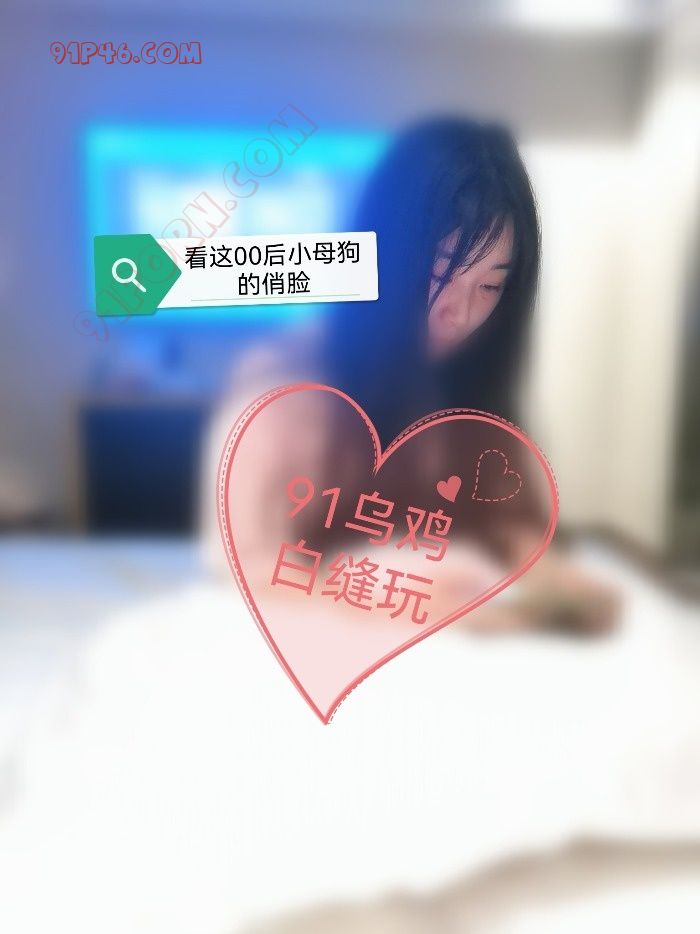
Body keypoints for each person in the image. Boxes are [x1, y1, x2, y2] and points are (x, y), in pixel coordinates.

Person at [206, 117, 617, 634]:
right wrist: (393, 597)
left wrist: (553, 579)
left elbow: (503, 522)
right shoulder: (286, 387)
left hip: (457, 658)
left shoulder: (473, 386)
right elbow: (241, 564)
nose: (460, 313)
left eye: (490, 287)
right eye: (440, 272)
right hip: (312, 648)